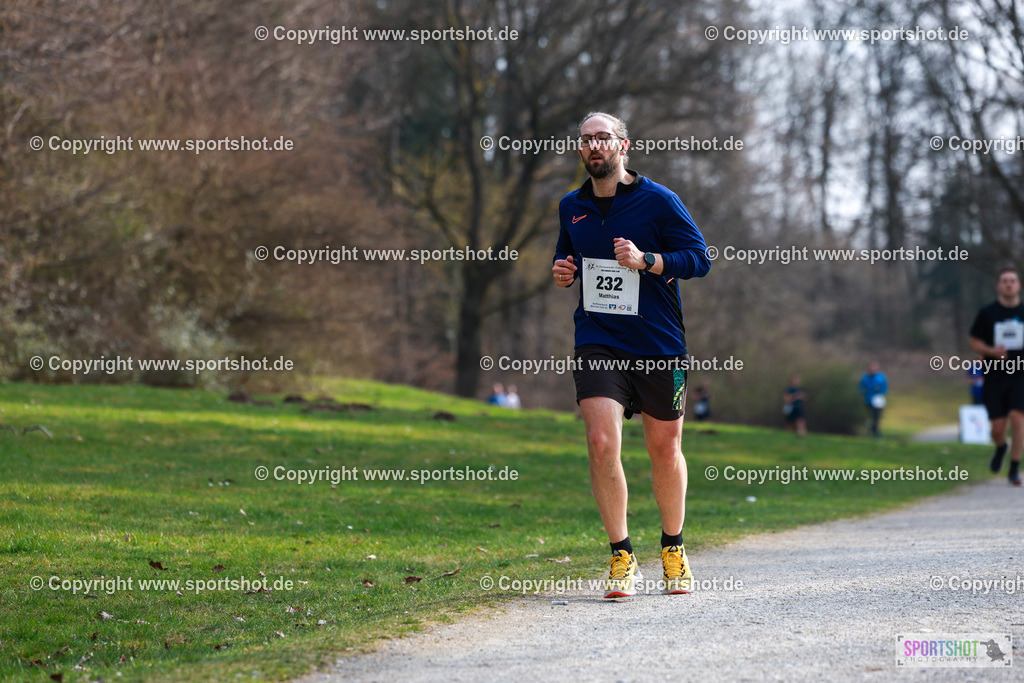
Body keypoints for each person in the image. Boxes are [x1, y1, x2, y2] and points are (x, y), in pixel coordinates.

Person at [552, 111, 710, 598]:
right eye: (586, 140)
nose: (593, 146)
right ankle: (621, 555)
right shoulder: (571, 206)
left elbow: (700, 259)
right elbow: (569, 256)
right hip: (598, 339)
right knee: (601, 442)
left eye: (603, 138)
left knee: (664, 449)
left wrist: (648, 261)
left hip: (657, 342)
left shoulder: (659, 201)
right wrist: (563, 271)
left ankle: (673, 548)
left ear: (623, 146)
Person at [969, 266, 1024, 486]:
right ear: (998, 286)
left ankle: (1014, 467)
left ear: (1019, 285)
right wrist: (992, 352)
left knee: (1018, 418)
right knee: (998, 427)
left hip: (1020, 373)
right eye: (1004, 281)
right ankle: (1001, 447)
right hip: (994, 374)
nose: (1009, 284)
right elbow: (974, 341)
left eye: (1013, 280)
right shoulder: (987, 313)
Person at [858, 362, 888, 438]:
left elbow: (884, 388)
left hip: (878, 400)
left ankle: (875, 431)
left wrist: (880, 392)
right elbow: (861, 387)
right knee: (872, 416)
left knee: (876, 417)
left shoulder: (881, 377)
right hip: (868, 400)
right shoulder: (865, 377)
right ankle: (873, 431)